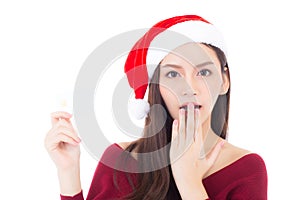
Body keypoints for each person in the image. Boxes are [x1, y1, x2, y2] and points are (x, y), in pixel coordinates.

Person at [45, 15, 268, 200]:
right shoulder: (120, 161)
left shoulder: (247, 169)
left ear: (224, 81)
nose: (189, 87)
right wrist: (68, 172)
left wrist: (189, 183)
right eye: (173, 74)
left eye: (203, 72)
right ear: (157, 87)